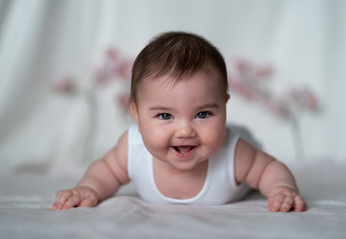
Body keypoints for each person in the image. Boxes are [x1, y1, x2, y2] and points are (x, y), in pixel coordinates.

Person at [52, 31, 306, 212]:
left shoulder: (234, 153)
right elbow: (105, 171)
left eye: (203, 114)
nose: (185, 130)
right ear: (137, 115)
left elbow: (269, 169)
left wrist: (281, 188)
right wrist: (88, 189)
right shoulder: (133, 148)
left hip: (241, 139)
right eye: (165, 116)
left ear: (224, 108)